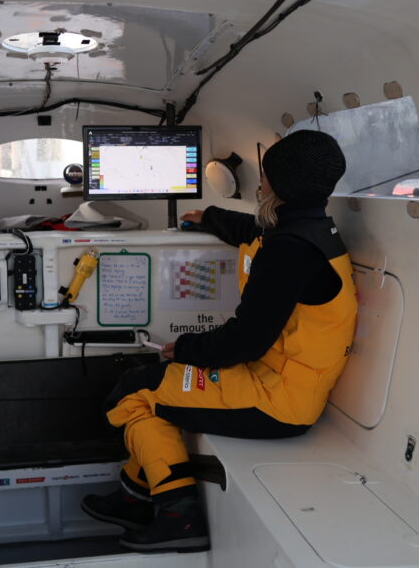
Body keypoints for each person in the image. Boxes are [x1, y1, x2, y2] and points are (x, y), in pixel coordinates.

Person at [81, 130, 358, 552]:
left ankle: (178, 514)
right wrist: (210, 217)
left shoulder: (291, 251)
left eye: (266, 178)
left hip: (278, 401)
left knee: (133, 393)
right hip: (282, 382)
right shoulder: (308, 229)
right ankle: (134, 498)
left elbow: (246, 341)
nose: (260, 185)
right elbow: (255, 231)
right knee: (146, 380)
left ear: (281, 187)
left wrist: (187, 347)